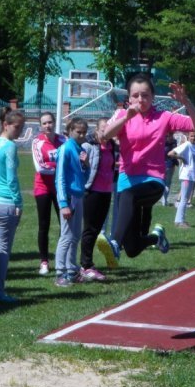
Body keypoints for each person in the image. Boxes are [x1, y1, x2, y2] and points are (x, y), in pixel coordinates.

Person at [96, 74, 195, 268]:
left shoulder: (164, 117)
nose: (140, 100)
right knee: (132, 248)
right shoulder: (123, 115)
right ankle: (156, 237)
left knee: (129, 197)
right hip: (126, 181)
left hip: (152, 180)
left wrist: (186, 101)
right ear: (129, 98)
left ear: (152, 97)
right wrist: (127, 117)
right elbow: (105, 136)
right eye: (135, 95)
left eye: (145, 95)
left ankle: (113, 243)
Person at [0, 108, 26, 303]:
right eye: (17, 127)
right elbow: (11, 178)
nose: (19, 131)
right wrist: (18, 201)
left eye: (22, 127)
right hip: (6, 202)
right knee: (3, 250)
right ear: (6, 125)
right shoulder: (9, 146)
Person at [53, 118, 89, 287]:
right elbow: (59, 178)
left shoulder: (80, 150)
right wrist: (63, 203)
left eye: (83, 132)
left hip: (78, 195)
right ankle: (60, 273)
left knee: (75, 235)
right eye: (78, 132)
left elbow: (84, 178)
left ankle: (72, 270)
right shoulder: (66, 148)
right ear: (70, 131)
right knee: (66, 236)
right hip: (68, 197)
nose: (81, 135)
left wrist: (86, 165)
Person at [79, 118, 115, 281]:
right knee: (89, 229)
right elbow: (81, 166)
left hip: (106, 192)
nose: (106, 131)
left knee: (97, 229)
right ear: (96, 131)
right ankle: (85, 265)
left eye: (108, 128)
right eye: (103, 128)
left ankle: (88, 264)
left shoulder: (112, 147)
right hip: (91, 192)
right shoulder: (89, 146)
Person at [31, 111, 65, 275]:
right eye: (44, 123)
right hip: (42, 187)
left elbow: (68, 162)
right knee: (44, 225)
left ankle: (61, 257)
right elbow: (40, 167)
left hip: (60, 188)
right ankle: (44, 261)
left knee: (64, 224)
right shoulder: (37, 142)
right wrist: (58, 167)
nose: (48, 126)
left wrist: (52, 166)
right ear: (40, 125)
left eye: (50, 122)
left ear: (54, 122)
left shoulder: (63, 140)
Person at [172, 130, 195, 229]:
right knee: (184, 199)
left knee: (186, 199)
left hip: (192, 176)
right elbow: (171, 153)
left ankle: (180, 220)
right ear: (188, 137)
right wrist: (181, 158)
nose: (193, 138)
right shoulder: (187, 145)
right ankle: (180, 221)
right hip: (186, 176)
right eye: (192, 136)